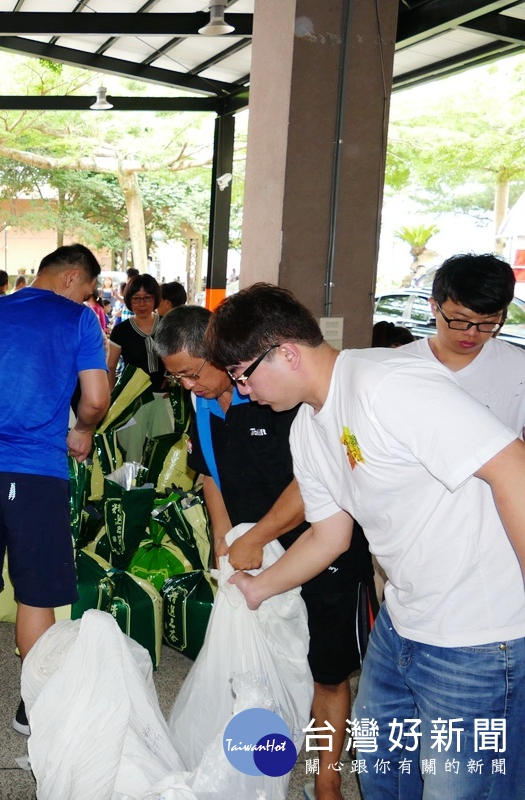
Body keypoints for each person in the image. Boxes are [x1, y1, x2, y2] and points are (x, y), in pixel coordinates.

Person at [205, 283, 525, 799]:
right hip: (404, 620)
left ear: (285, 352)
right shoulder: (309, 428)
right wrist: (258, 587)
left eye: (244, 374)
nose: (243, 391)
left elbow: (512, 467)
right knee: (382, 769)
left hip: (479, 634)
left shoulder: (386, 384)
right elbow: (329, 535)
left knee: (462, 786)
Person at [154, 305, 376, 800]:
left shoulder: (276, 392)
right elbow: (208, 472)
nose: (189, 385)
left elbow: (311, 483)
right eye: (178, 378)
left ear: (220, 355)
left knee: (327, 669)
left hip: (320, 545)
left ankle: (326, 777)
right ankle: (269, 752)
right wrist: (223, 535)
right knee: (261, 659)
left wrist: (257, 536)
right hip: (254, 551)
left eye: (193, 372)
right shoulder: (204, 404)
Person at [0, 243, 110, 737]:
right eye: (89, 291)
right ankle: (31, 705)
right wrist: (82, 428)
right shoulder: (77, 322)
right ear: (72, 278)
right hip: (37, 471)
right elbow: (96, 398)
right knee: (36, 591)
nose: (87, 300)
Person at [399, 253, 525, 436]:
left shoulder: (519, 366)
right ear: (434, 307)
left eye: (488, 322)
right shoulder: (400, 364)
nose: (472, 333)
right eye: (459, 320)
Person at [107, 274, 164, 391]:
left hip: (167, 396)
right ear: (129, 300)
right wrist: (110, 398)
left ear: (156, 299)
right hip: (132, 398)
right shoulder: (121, 331)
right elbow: (111, 367)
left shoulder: (168, 325)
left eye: (147, 297)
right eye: (136, 298)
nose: (142, 304)